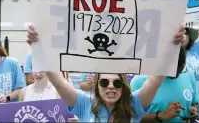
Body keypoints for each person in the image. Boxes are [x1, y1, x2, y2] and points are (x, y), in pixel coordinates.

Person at [26, 25, 186, 122]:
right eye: (104, 82)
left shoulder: (134, 104)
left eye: (117, 83)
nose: (111, 87)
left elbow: (154, 81)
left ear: (123, 86)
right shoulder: (84, 103)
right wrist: (38, 45)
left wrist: (172, 45)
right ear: (97, 85)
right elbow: (59, 82)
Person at [130, 47, 199, 123]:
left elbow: (195, 102)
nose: (177, 75)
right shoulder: (139, 81)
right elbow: (129, 116)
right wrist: (160, 115)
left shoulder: (189, 74)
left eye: (181, 70)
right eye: (173, 72)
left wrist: (194, 109)